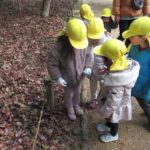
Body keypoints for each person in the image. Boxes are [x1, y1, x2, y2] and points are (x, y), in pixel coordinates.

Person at [94, 39, 140, 142]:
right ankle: (107, 124)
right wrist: (107, 70)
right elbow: (113, 70)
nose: (102, 59)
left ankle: (113, 134)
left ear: (110, 59)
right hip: (111, 99)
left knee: (114, 119)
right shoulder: (121, 63)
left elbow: (114, 102)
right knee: (110, 118)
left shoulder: (117, 83)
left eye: (103, 58)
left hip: (115, 106)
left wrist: (104, 111)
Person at [47, 18, 93, 121]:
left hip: (80, 77)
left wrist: (88, 67)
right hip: (67, 79)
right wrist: (58, 77)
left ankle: (76, 105)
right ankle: (69, 108)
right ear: (67, 36)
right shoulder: (58, 48)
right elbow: (51, 64)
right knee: (69, 94)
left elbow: (90, 54)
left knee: (77, 92)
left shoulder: (84, 43)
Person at [122, 16, 150, 129]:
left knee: (146, 104)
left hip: (146, 88)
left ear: (143, 38)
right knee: (142, 102)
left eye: (132, 36)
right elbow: (129, 58)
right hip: (136, 83)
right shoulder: (134, 46)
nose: (129, 37)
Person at [86, 17, 112, 109]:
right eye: (92, 37)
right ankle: (94, 99)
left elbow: (110, 58)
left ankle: (103, 99)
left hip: (102, 71)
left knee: (104, 86)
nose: (94, 39)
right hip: (91, 71)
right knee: (93, 88)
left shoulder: (106, 43)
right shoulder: (86, 42)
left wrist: (109, 67)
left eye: (96, 37)